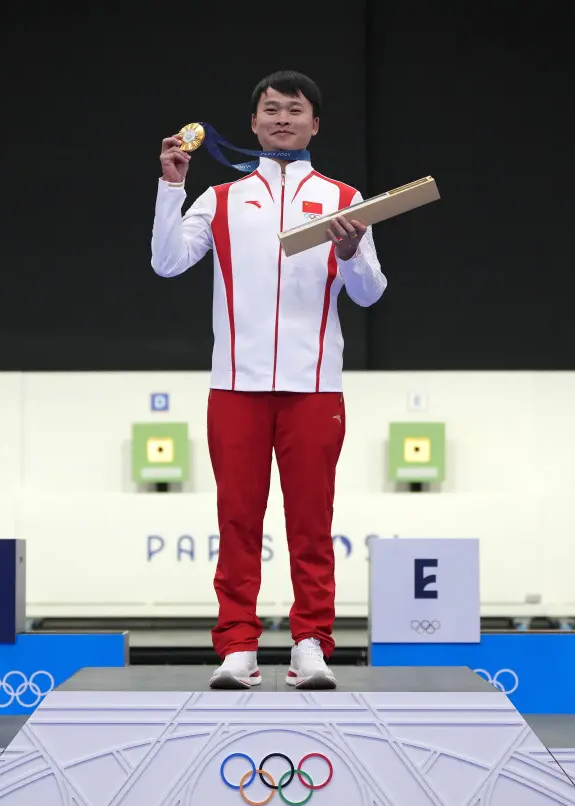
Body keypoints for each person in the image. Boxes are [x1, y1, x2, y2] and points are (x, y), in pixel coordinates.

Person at [151, 70, 388, 690]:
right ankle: (237, 647)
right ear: (254, 124)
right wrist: (171, 186)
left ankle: (311, 643)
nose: (283, 119)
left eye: (295, 110)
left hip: (315, 385)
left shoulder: (345, 198)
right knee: (238, 520)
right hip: (235, 385)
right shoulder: (223, 198)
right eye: (271, 110)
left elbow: (369, 293)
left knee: (312, 522)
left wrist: (348, 251)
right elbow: (168, 262)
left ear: (315, 124)